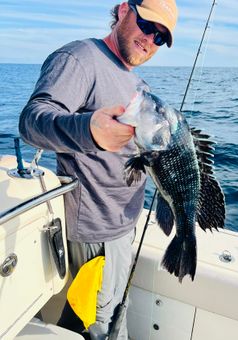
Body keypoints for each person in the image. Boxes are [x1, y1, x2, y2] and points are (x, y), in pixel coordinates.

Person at [19, 0, 178, 339]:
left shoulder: (139, 87)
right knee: (97, 327)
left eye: (160, 37)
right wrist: (89, 130)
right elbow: (31, 121)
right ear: (123, 10)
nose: (150, 39)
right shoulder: (80, 58)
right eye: (147, 25)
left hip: (125, 227)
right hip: (95, 236)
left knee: (113, 313)